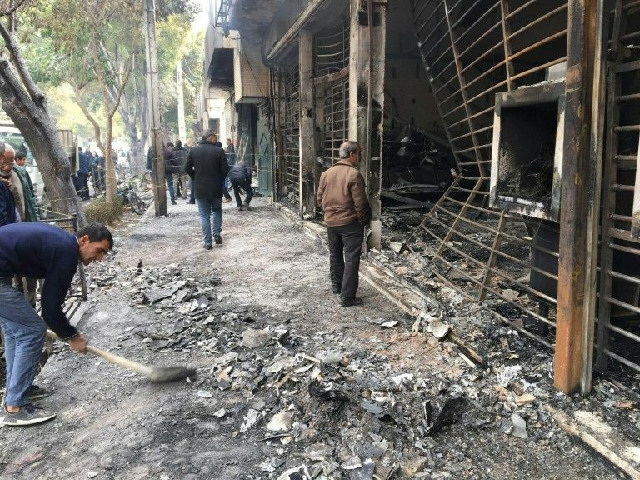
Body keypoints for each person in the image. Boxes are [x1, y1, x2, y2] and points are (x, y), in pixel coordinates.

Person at [0, 222, 112, 426]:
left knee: (15, 332)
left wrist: (69, 333)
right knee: (32, 331)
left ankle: (17, 388)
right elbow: (50, 309)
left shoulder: (62, 245)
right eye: (99, 251)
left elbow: (50, 302)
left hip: (2, 274)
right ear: (84, 240)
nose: (99, 259)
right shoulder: (66, 253)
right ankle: (14, 407)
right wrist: (73, 337)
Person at [317, 141, 371, 307]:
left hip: (331, 222)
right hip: (349, 223)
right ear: (352, 154)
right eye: (359, 153)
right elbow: (360, 203)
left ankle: (337, 286)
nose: (360, 156)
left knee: (335, 255)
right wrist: (364, 221)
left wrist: (329, 213)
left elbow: (319, 199)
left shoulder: (326, 174)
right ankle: (347, 297)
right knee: (352, 259)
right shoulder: (353, 174)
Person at [184, 130, 229, 249]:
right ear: (210, 137)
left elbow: (186, 168)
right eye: (215, 136)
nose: (216, 139)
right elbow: (226, 169)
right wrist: (219, 178)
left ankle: (208, 243)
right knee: (217, 210)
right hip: (215, 188)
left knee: (204, 215)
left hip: (200, 188)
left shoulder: (194, 150)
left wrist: (196, 177)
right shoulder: (219, 151)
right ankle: (217, 233)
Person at [12, 150, 40, 307]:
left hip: (25, 228)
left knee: (29, 268)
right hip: (9, 236)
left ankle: (31, 304)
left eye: (11, 162)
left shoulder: (20, 173)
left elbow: (30, 200)